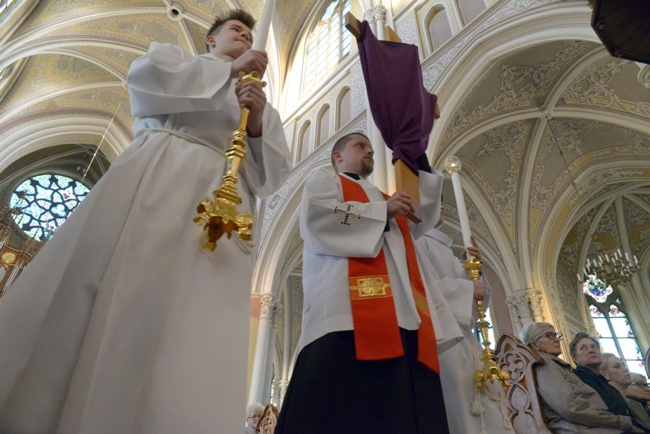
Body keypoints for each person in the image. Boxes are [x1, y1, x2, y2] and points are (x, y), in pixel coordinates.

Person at [0, 9, 291, 434]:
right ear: (211, 41)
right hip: (163, 174)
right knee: (124, 289)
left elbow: (272, 177)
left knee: (192, 316)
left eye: (250, 35)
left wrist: (260, 121)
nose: (246, 37)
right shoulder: (175, 58)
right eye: (236, 31)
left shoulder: (256, 97)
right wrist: (227, 75)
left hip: (221, 206)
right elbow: (147, 83)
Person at [275, 133, 462, 433]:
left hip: (401, 317)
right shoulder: (326, 179)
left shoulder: (382, 197)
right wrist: (382, 213)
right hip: (345, 317)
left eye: (370, 147)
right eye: (360, 146)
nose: (369, 151)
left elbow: (420, 219)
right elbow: (319, 218)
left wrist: (418, 159)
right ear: (337, 157)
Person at [418, 196, 511, 434]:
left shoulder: (447, 253)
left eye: (442, 201)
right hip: (444, 340)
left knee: (489, 404)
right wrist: (469, 288)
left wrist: (473, 271)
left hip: (466, 339)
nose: (441, 206)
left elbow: (477, 304)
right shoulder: (416, 243)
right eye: (433, 201)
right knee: (461, 407)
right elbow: (421, 288)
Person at [520, 322, 637, 433]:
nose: (556, 339)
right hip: (579, 429)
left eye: (556, 335)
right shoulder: (544, 364)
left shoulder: (554, 365)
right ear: (534, 345)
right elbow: (572, 408)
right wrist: (622, 422)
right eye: (549, 335)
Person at [571, 333, 633, 418]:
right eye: (583, 348)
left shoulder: (604, 381)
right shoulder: (579, 379)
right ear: (576, 359)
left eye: (594, 347)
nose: (591, 350)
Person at [600, 354, 650, 432]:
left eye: (623, 365)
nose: (625, 369)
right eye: (617, 366)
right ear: (605, 375)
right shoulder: (610, 405)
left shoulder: (635, 404)